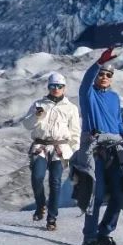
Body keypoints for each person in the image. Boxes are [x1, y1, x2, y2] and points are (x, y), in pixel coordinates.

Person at [76, 47, 123, 245]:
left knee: (121, 192)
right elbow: (85, 82)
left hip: (114, 149)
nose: (103, 77)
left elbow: (117, 125)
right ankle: (90, 237)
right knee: (97, 193)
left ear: (112, 78)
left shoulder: (114, 98)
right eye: (101, 74)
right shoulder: (88, 95)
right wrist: (97, 64)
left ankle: (105, 232)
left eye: (107, 75)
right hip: (94, 149)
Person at [22, 71, 81, 231]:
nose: (56, 89)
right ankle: (41, 205)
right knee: (37, 177)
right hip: (40, 146)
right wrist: (36, 116)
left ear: (64, 88)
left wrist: (75, 152)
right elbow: (27, 125)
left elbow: (75, 131)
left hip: (60, 148)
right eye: (53, 86)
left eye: (59, 86)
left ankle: (52, 218)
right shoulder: (38, 104)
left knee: (55, 182)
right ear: (48, 87)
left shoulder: (71, 108)